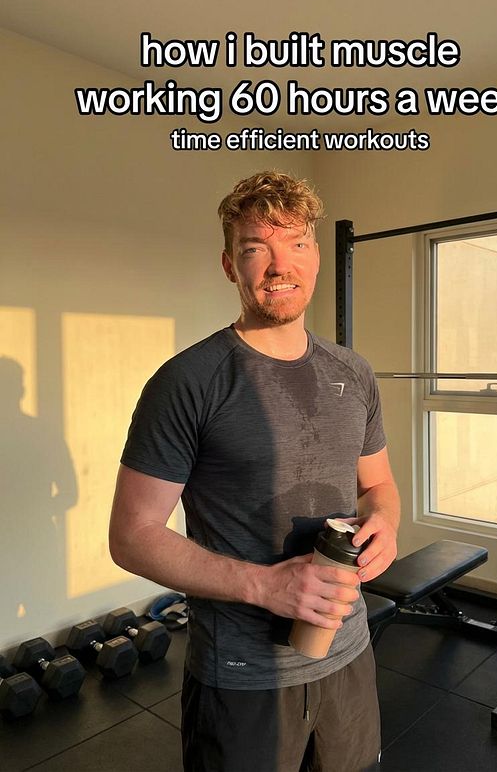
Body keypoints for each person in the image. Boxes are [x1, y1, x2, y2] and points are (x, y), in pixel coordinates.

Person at [109, 170, 400, 771]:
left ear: (316, 255)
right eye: (255, 248)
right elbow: (131, 535)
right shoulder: (189, 382)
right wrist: (266, 586)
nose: (278, 265)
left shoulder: (355, 373)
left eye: (295, 243)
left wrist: (387, 524)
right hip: (242, 675)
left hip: (348, 653)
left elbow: (378, 485)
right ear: (228, 264)